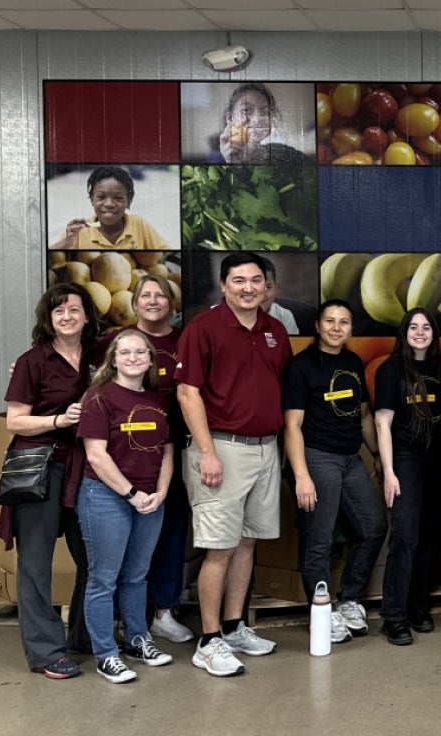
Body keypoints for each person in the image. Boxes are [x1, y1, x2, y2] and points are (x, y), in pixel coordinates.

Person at [176, 251, 293, 677]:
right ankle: (208, 642)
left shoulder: (275, 331)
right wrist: (207, 451)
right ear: (224, 286)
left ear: (267, 286)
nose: (248, 288)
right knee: (220, 548)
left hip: (266, 448)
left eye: (256, 281)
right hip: (221, 449)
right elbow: (188, 394)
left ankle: (233, 626)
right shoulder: (203, 329)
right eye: (239, 281)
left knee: (248, 542)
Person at [0, 282, 100, 679]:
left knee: (93, 558)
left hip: (89, 468)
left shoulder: (100, 357)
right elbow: (15, 419)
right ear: (48, 319)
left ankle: (84, 636)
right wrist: (58, 420)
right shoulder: (32, 361)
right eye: (58, 311)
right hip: (42, 467)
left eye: (74, 309)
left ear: (87, 316)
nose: (67, 316)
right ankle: (45, 652)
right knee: (36, 564)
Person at [95, 275, 194, 644]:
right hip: (122, 455)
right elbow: (83, 374)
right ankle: (121, 617)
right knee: (120, 541)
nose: (153, 301)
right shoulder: (114, 340)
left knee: (169, 534)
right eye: (145, 295)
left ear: (172, 302)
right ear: (135, 302)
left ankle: (163, 612)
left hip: (173, 451)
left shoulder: (185, 340)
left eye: (161, 295)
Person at [282, 299, 386, 645]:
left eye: (344, 321)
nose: (336, 327)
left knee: (373, 527)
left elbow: (365, 414)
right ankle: (321, 611)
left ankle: (350, 599)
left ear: (351, 328)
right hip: (317, 458)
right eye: (330, 321)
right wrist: (302, 475)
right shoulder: (301, 367)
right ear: (317, 325)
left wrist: (376, 456)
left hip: (351, 458)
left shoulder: (354, 362)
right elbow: (292, 426)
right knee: (319, 538)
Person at [76, 329, 174, 683]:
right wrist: (132, 494)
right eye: (125, 352)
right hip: (106, 498)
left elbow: (167, 449)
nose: (133, 357)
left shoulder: (160, 400)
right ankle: (106, 653)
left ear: (150, 359)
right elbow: (96, 456)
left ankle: (138, 639)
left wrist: (161, 492)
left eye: (140, 352)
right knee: (103, 579)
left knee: (137, 575)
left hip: (150, 500)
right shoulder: (98, 397)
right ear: (113, 359)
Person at [374, 308, 441, 645]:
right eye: (413, 327)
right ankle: (394, 616)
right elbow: (382, 424)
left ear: (434, 334)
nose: (420, 332)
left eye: (426, 328)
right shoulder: (390, 369)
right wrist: (389, 472)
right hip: (405, 459)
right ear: (404, 331)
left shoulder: (440, 369)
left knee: (431, 535)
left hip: (438, 461)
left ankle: (419, 607)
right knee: (405, 535)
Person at [51, 166, 170, 250]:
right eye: (101, 197)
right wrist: (66, 243)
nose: (109, 204)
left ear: (128, 202)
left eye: (118, 198)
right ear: (92, 200)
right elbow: (47, 259)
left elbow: (164, 251)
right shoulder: (80, 232)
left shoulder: (139, 224)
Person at [219, 82, 279, 164]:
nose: (257, 120)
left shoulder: (287, 154)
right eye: (246, 110)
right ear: (230, 118)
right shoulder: (215, 163)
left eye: (264, 112)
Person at [261, 257, 300, 335]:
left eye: (268, 287)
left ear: (276, 288)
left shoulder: (285, 316)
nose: (262, 295)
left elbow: (291, 346)